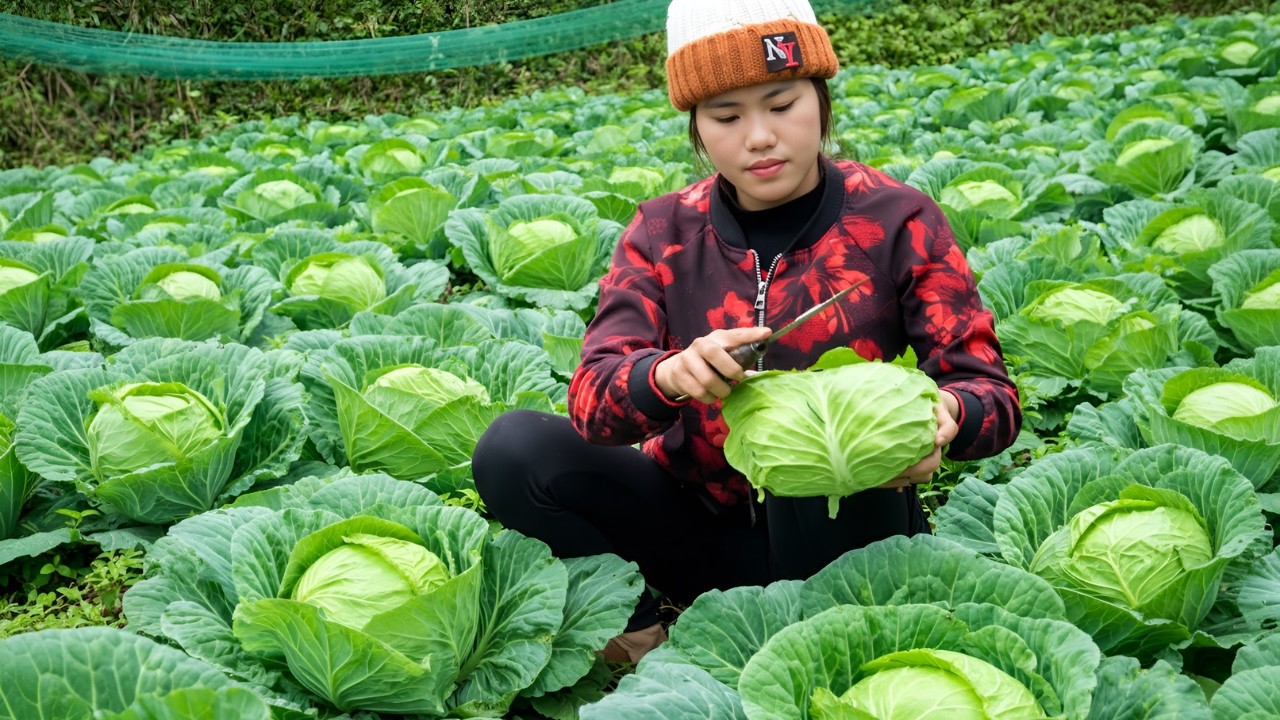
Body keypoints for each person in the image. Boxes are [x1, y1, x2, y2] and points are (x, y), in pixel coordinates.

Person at [472, 0, 1020, 663]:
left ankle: (838, 636)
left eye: (782, 104)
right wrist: (668, 374)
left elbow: (990, 394)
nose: (759, 137)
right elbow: (593, 398)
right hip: (697, 527)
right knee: (514, 449)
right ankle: (639, 635)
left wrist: (946, 417)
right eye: (726, 117)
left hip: (847, 534)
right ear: (698, 129)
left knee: (817, 436)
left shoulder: (897, 219)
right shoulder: (662, 232)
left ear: (821, 100)